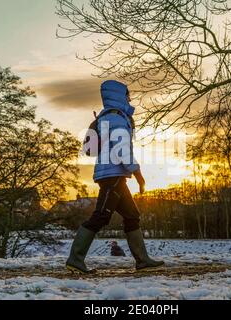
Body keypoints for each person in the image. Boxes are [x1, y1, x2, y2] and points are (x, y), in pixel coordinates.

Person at [66, 80, 164, 274]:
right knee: (101, 216)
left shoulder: (106, 117)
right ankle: (75, 259)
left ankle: (143, 260)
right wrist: (138, 173)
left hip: (114, 175)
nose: (130, 98)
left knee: (132, 215)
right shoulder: (117, 118)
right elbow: (121, 150)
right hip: (113, 176)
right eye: (127, 94)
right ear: (119, 96)